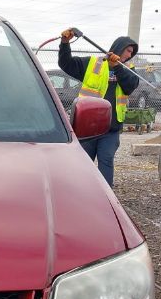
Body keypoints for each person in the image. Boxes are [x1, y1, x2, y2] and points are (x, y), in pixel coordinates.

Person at [58, 30, 139, 187]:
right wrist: (65, 43)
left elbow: (130, 86)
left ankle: (106, 198)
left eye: (132, 53)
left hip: (111, 129)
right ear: (119, 47)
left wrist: (118, 68)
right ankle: (79, 193)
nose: (129, 55)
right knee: (83, 162)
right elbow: (66, 63)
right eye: (128, 50)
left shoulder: (128, 69)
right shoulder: (93, 64)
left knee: (106, 160)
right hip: (88, 128)